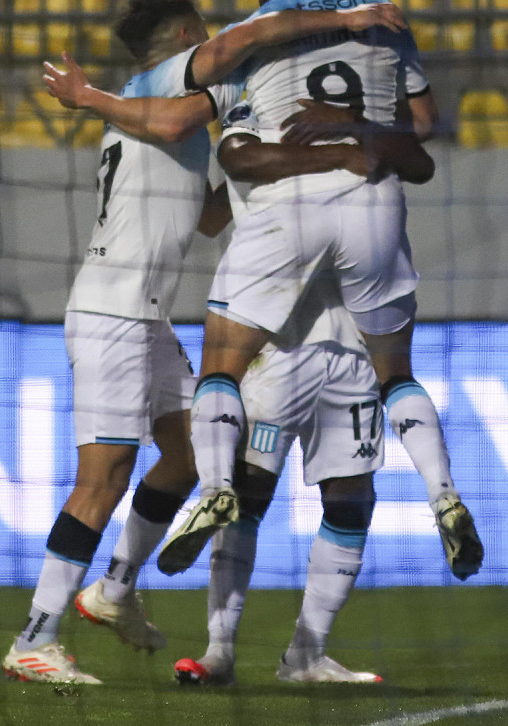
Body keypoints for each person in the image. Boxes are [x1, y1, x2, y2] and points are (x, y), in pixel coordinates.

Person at [42, 0, 483, 583]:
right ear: (187, 36)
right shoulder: (371, 19)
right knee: (393, 373)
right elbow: (421, 129)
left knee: (206, 411)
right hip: (352, 211)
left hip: (188, 280)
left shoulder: (193, 72)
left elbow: (212, 202)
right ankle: (443, 493)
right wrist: (351, 123)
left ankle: (128, 574)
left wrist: (92, 98)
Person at [2, 0, 413, 685]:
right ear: (188, 36)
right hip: (112, 312)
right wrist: (343, 21)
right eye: (206, 38)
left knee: (193, 452)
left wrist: (281, 174)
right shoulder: (164, 87)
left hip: (145, 315)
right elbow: (231, 54)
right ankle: (35, 639)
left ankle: (115, 590)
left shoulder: (178, 118)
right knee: (100, 478)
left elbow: (212, 218)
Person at [172, 100, 437, 686]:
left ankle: (307, 655)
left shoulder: (371, 126)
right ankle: (219, 651)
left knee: (350, 501)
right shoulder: (270, 120)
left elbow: (419, 158)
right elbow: (213, 212)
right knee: (248, 493)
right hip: (281, 342)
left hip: (351, 348)